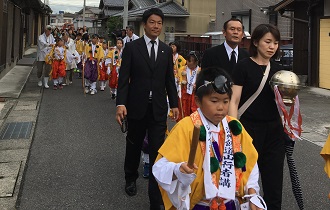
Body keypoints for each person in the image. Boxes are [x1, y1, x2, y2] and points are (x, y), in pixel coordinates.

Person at [153, 67, 265, 210]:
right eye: (214, 100)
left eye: (225, 101)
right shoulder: (187, 127)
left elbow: (250, 164)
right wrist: (177, 169)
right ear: (198, 101)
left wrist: (252, 192)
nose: (220, 107)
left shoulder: (234, 126)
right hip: (200, 205)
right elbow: (160, 167)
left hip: (230, 204)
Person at [115, 8, 179, 210]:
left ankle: (156, 193)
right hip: (136, 106)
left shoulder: (166, 50)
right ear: (144, 24)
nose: (156, 26)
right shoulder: (133, 48)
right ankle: (130, 177)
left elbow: (169, 80)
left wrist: (175, 104)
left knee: (158, 150)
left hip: (158, 108)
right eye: (152, 22)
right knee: (133, 144)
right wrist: (121, 104)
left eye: (159, 23)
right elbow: (124, 79)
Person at [229, 24, 284, 210]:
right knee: (246, 178)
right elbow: (234, 101)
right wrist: (233, 129)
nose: (272, 46)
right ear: (255, 42)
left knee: (274, 179)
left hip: (274, 131)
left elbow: (286, 104)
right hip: (248, 129)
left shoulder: (279, 69)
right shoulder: (243, 66)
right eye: (268, 41)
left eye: (276, 43)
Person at [176, 51, 200, 121]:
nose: (187, 62)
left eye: (190, 61)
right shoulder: (182, 69)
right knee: (183, 112)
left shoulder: (200, 71)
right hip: (184, 94)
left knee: (194, 113)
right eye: (187, 60)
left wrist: (197, 85)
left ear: (196, 62)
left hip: (195, 95)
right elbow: (178, 80)